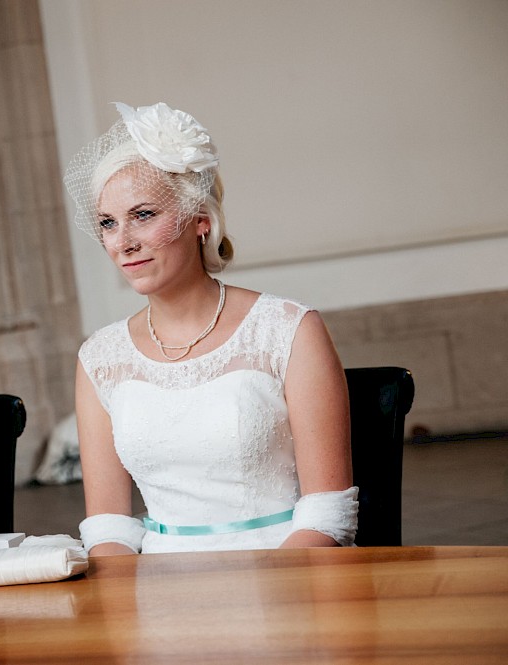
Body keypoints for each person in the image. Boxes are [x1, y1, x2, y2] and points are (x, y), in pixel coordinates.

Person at [65, 103, 357, 556]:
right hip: (158, 592)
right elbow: (108, 526)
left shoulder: (288, 330)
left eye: (143, 215)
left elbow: (327, 514)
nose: (123, 242)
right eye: (108, 223)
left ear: (200, 220)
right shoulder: (100, 358)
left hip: (287, 575)